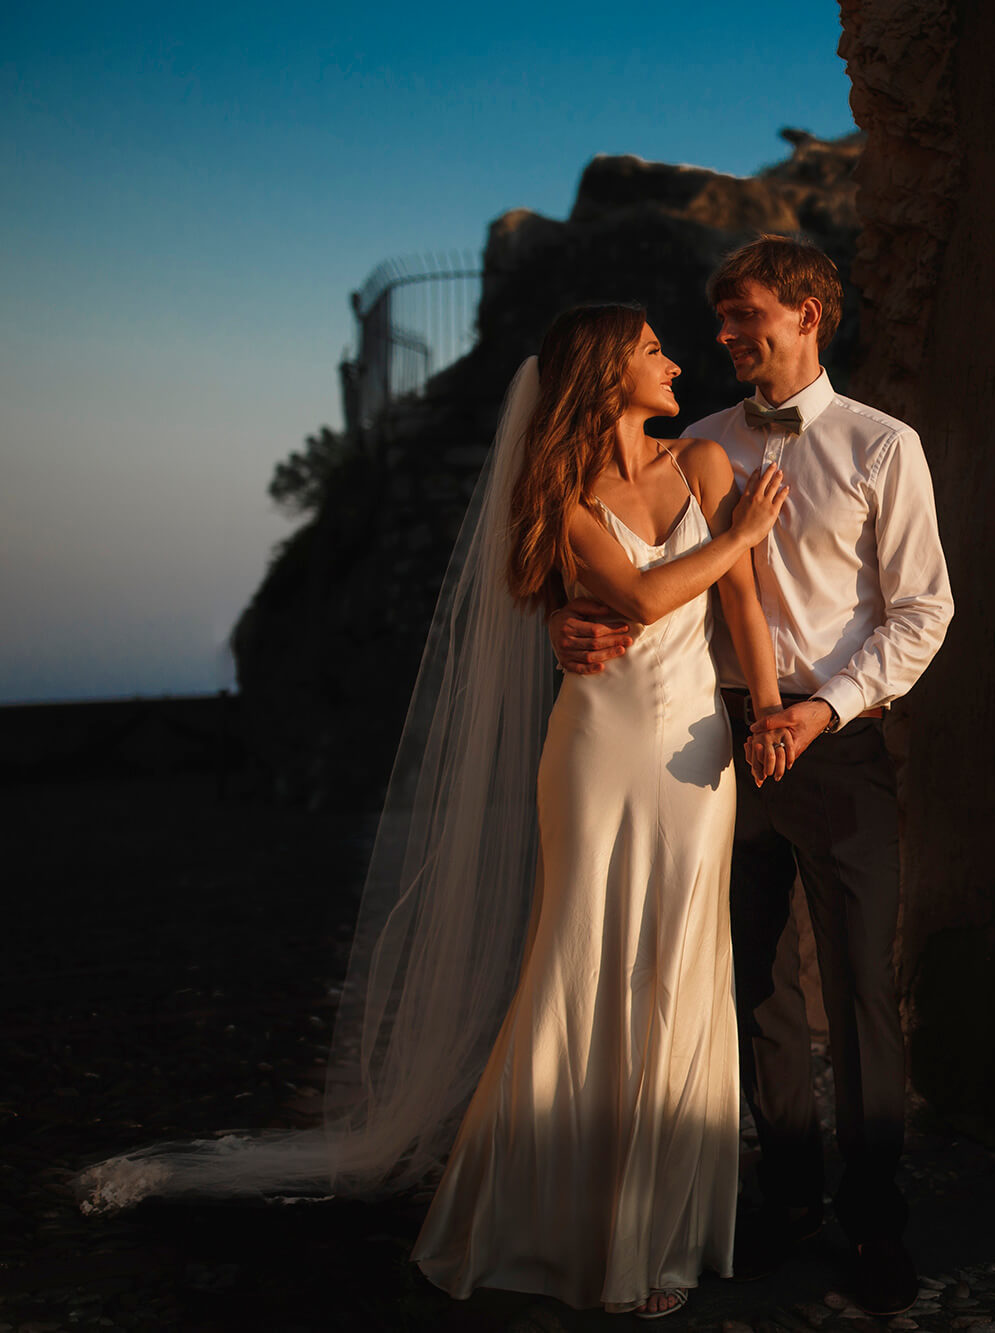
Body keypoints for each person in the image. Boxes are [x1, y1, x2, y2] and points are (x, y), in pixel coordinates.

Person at [76, 305, 794, 1323]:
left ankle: (659, 1228)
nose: (673, 360)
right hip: (595, 750)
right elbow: (634, 596)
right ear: (603, 373)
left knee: (676, 966)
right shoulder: (561, 493)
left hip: (693, 757)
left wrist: (765, 714)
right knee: (577, 964)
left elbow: (743, 610)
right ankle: (541, 1216)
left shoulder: (706, 466)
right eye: (650, 350)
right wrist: (744, 537)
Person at [549, 236, 953, 1317]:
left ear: (809, 312)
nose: (725, 338)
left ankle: (872, 1222)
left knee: (860, 989)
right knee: (756, 988)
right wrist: (569, 622)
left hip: (837, 743)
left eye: (747, 319)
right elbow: (625, 554)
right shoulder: (698, 446)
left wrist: (817, 709)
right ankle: (783, 1200)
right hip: (706, 741)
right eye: (719, 321)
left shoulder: (882, 446)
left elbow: (923, 613)